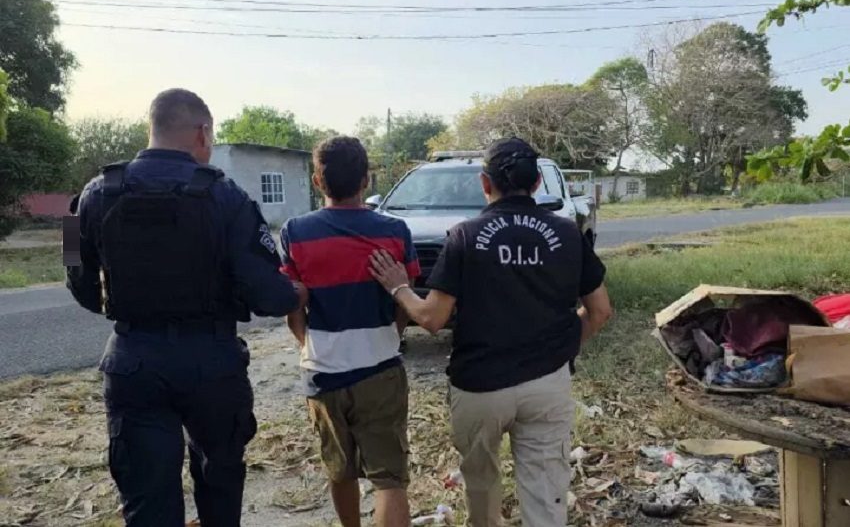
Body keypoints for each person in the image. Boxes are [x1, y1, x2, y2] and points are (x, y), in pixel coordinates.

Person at [66, 88, 306, 527]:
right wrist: (296, 294)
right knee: (220, 487)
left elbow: (75, 278)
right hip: (211, 364)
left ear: (151, 129)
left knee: (147, 502)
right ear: (201, 132)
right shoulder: (228, 197)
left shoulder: (92, 194)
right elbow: (267, 294)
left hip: (133, 361)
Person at [369, 137, 613, 527]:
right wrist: (561, 349)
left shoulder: (465, 235)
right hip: (548, 383)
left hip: (479, 386)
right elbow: (600, 311)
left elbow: (431, 319)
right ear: (537, 184)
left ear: (485, 184)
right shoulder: (568, 233)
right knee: (546, 493)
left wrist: (398, 287)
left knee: (481, 487)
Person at [281, 136, 419, 527]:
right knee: (389, 479)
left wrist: (309, 345)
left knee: (339, 470)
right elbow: (402, 304)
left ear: (316, 181)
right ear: (367, 180)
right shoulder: (395, 232)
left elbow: (293, 305)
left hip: (323, 373)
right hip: (381, 369)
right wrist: (387, 337)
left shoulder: (296, 232)